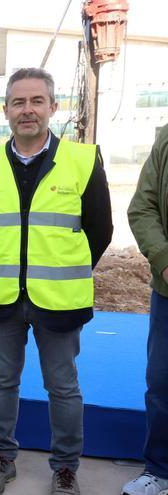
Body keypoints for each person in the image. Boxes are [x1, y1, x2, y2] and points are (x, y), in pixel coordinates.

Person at [0, 67, 112, 495]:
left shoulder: (83, 160)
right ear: (6, 110)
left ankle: (65, 468)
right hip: (2, 295)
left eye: (36, 101)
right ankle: (0, 458)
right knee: (1, 381)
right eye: (18, 102)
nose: (26, 110)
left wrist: (61, 270)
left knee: (63, 386)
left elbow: (99, 231)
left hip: (60, 298)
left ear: (53, 107)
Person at [124, 125, 168, 495]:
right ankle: (160, 470)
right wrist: (165, 261)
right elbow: (142, 206)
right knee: (162, 384)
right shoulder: (166, 139)